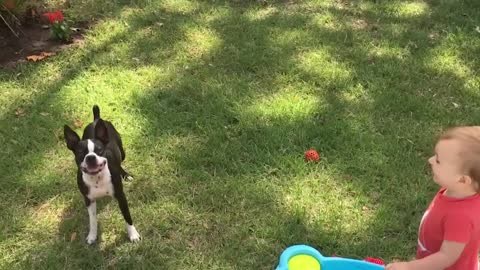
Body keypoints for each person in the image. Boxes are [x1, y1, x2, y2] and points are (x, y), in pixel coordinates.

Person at [386, 126, 480, 270]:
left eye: (438, 160)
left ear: (462, 180)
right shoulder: (457, 191)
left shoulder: (461, 217)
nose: (430, 160)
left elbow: (446, 257)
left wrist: (409, 267)